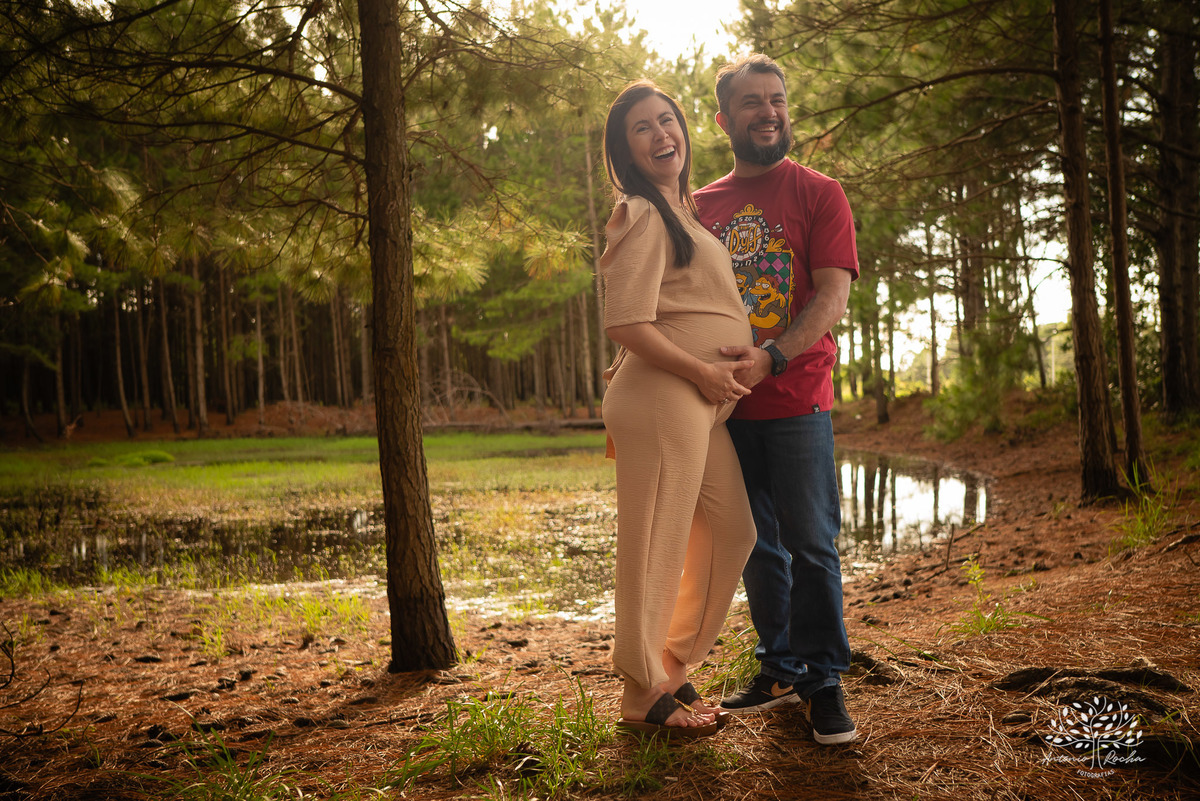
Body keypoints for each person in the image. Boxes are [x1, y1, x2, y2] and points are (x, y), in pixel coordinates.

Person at [693, 54, 860, 746]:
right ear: (724, 118)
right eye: (752, 102)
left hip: (796, 399)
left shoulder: (819, 193)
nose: (768, 112)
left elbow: (831, 295)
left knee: (811, 545)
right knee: (755, 547)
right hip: (723, 408)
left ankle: (823, 680)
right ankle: (780, 667)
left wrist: (772, 357)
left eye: (777, 100)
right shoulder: (699, 206)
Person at [599, 79, 758, 739]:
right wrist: (702, 371)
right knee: (656, 543)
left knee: (732, 530)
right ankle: (641, 691)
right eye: (642, 127)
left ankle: (670, 662)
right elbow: (625, 320)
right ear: (626, 151)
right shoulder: (640, 211)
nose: (661, 134)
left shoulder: (682, 212)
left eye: (667, 120)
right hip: (667, 396)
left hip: (696, 400)